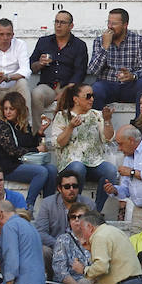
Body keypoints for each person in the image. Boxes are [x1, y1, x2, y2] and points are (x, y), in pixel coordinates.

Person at [49, 83, 117, 211]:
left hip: (95, 162)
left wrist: (107, 121)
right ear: (76, 99)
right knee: (78, 167)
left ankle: (96, 211)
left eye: (93, 96)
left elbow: (108, 138)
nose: (92, 99)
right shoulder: (62, 116)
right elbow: (58, 143)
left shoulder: (97, 115)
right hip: (71, 162)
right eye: (88, 96)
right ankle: (74, 208)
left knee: (111, 171)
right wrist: (70, 127)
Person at [0, 91, 57, 212]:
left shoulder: (22, 125)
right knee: (41, 172)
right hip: (7, 167)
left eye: (11, 109)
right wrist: (36, 149)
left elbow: (30, 143)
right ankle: (28, 207)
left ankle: (49, 207)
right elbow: (12, 151)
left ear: (19, 110)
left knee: (52, 170)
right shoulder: (2, 126)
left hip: (22, 163)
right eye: (5, 109)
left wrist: (40, 132)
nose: (8, 112)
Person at [28, 10, 88, 131]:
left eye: (62, 22)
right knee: (36, 94)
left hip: (69, 87)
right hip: (48, 86)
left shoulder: (79, 45)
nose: (58, 26)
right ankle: (37, 133)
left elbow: (80, 73)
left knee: (68, 99)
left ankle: (62, 133)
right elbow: (31, 66)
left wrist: (66, 91)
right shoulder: (43, 42)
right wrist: (39, 64)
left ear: (71, 26)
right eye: (56, 22)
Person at [86, 7, 142, 111]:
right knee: (96, 89)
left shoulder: (138, 40)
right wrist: (105, 47)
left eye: (114, 24)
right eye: (108, 23)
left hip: (129, 87)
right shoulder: (100, 40)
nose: (109, 27)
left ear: (125, 25)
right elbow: (93, 70)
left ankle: (140, 124)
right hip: (107, 85)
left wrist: (133, 76)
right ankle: (100, 124)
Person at [34, 168, 95, 259]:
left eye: (75, 186)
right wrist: (61, 246)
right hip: (56, 249)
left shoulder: (89, 204)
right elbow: (41, 232)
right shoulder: (48, 204)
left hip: (83, 249)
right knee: (43, 250)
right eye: (67, 187)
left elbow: (96, 231)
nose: (71, 189)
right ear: (59, 188)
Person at [50, 203, 97, 284]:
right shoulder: (63, 240)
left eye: (80, 216)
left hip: (92, 282)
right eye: (73, 217)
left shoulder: (96, 239)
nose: (76, 220)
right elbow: (61, 273)